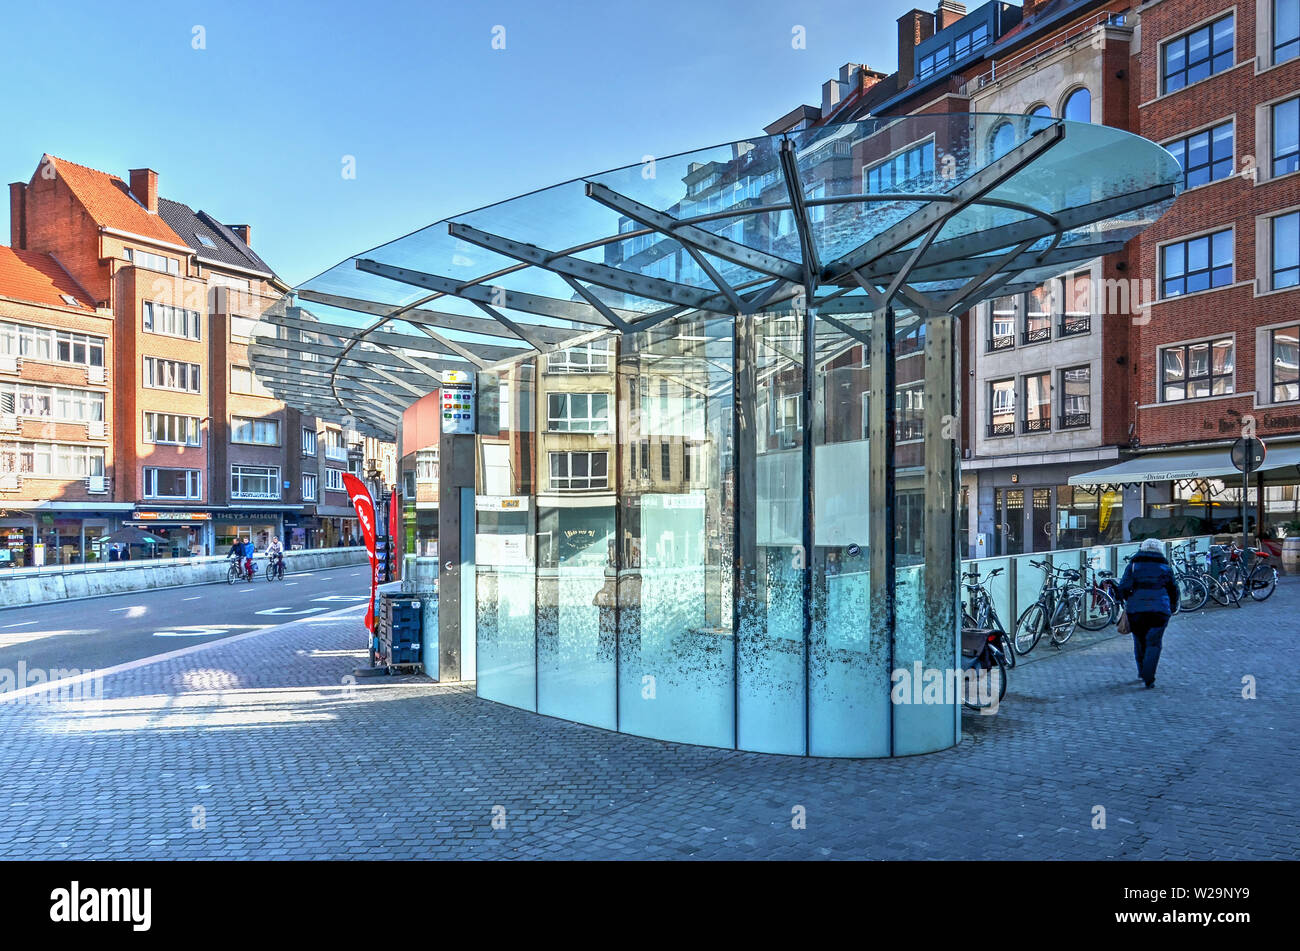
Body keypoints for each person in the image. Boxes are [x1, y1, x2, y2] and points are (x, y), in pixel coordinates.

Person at [1116, 537, 1180, 689]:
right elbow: (1174, 589)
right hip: (1160, 611)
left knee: (1139, 641)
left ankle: (1142, 670)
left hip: (1136, 610)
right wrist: (1171, 606)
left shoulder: (1133, 566)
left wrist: (1128, 600)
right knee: (1154, 642)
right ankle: (1148, 676)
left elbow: (1123, 587)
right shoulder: (1165, 568)